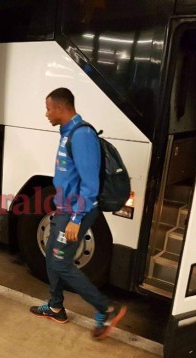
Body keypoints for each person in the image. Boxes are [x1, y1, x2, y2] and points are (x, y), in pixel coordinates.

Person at [30, 88, 127, 340]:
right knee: (52, 257)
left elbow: (90, 184)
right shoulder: (67, 133)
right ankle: (55, 306)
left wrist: (76, 218)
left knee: (60, 262)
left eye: (48, 108)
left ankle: (105, 308)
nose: (46, 113)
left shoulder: (82, 135)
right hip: (64, 209)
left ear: (61, 108)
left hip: (76, 212)